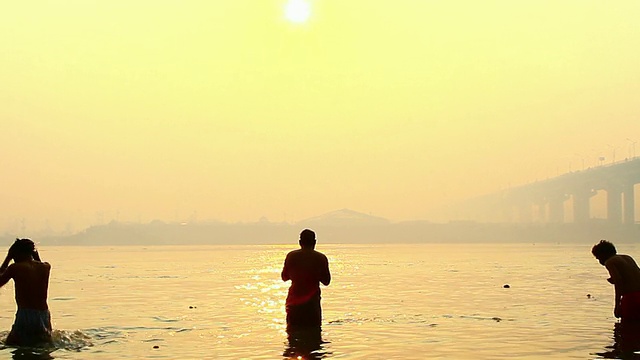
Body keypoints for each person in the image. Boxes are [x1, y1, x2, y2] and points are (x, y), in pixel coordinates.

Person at [0, 238, 53, 346]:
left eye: (14, 255)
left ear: (17, 253)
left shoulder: (15, 268)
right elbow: (38, 262)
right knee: (42, 345)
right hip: (44, 315)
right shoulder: (46, 267)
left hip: (25, 314)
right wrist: (35, 255)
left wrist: (7, 259)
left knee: (11, 344)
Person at [281, 229, 331, 329]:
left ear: (300, 242)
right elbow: (326, 281)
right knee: (314, 335)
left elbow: (284, 277)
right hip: (312, 304)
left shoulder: (291, 256)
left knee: (293, 334)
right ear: (314, 242)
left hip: (293, 303)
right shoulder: (320, 258)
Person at [592, 239, 640, 322]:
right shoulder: (627, 257)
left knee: (627, 329)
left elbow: (619, 283)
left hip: (631, 298)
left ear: (604, 254)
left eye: (598, 258)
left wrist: (617, 305)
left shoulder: (610, 262)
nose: (599, 261)